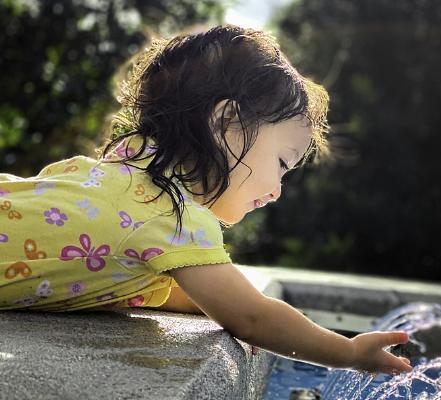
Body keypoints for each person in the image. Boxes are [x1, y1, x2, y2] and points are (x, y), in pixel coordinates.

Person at [0, 24, 412, 375]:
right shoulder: (173, 213)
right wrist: (348, 352)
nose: (277, 189)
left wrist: (216, 301)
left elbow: (175, 286)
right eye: (282, 163)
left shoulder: (118, 177)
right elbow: (252, 317)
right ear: (226, 123)